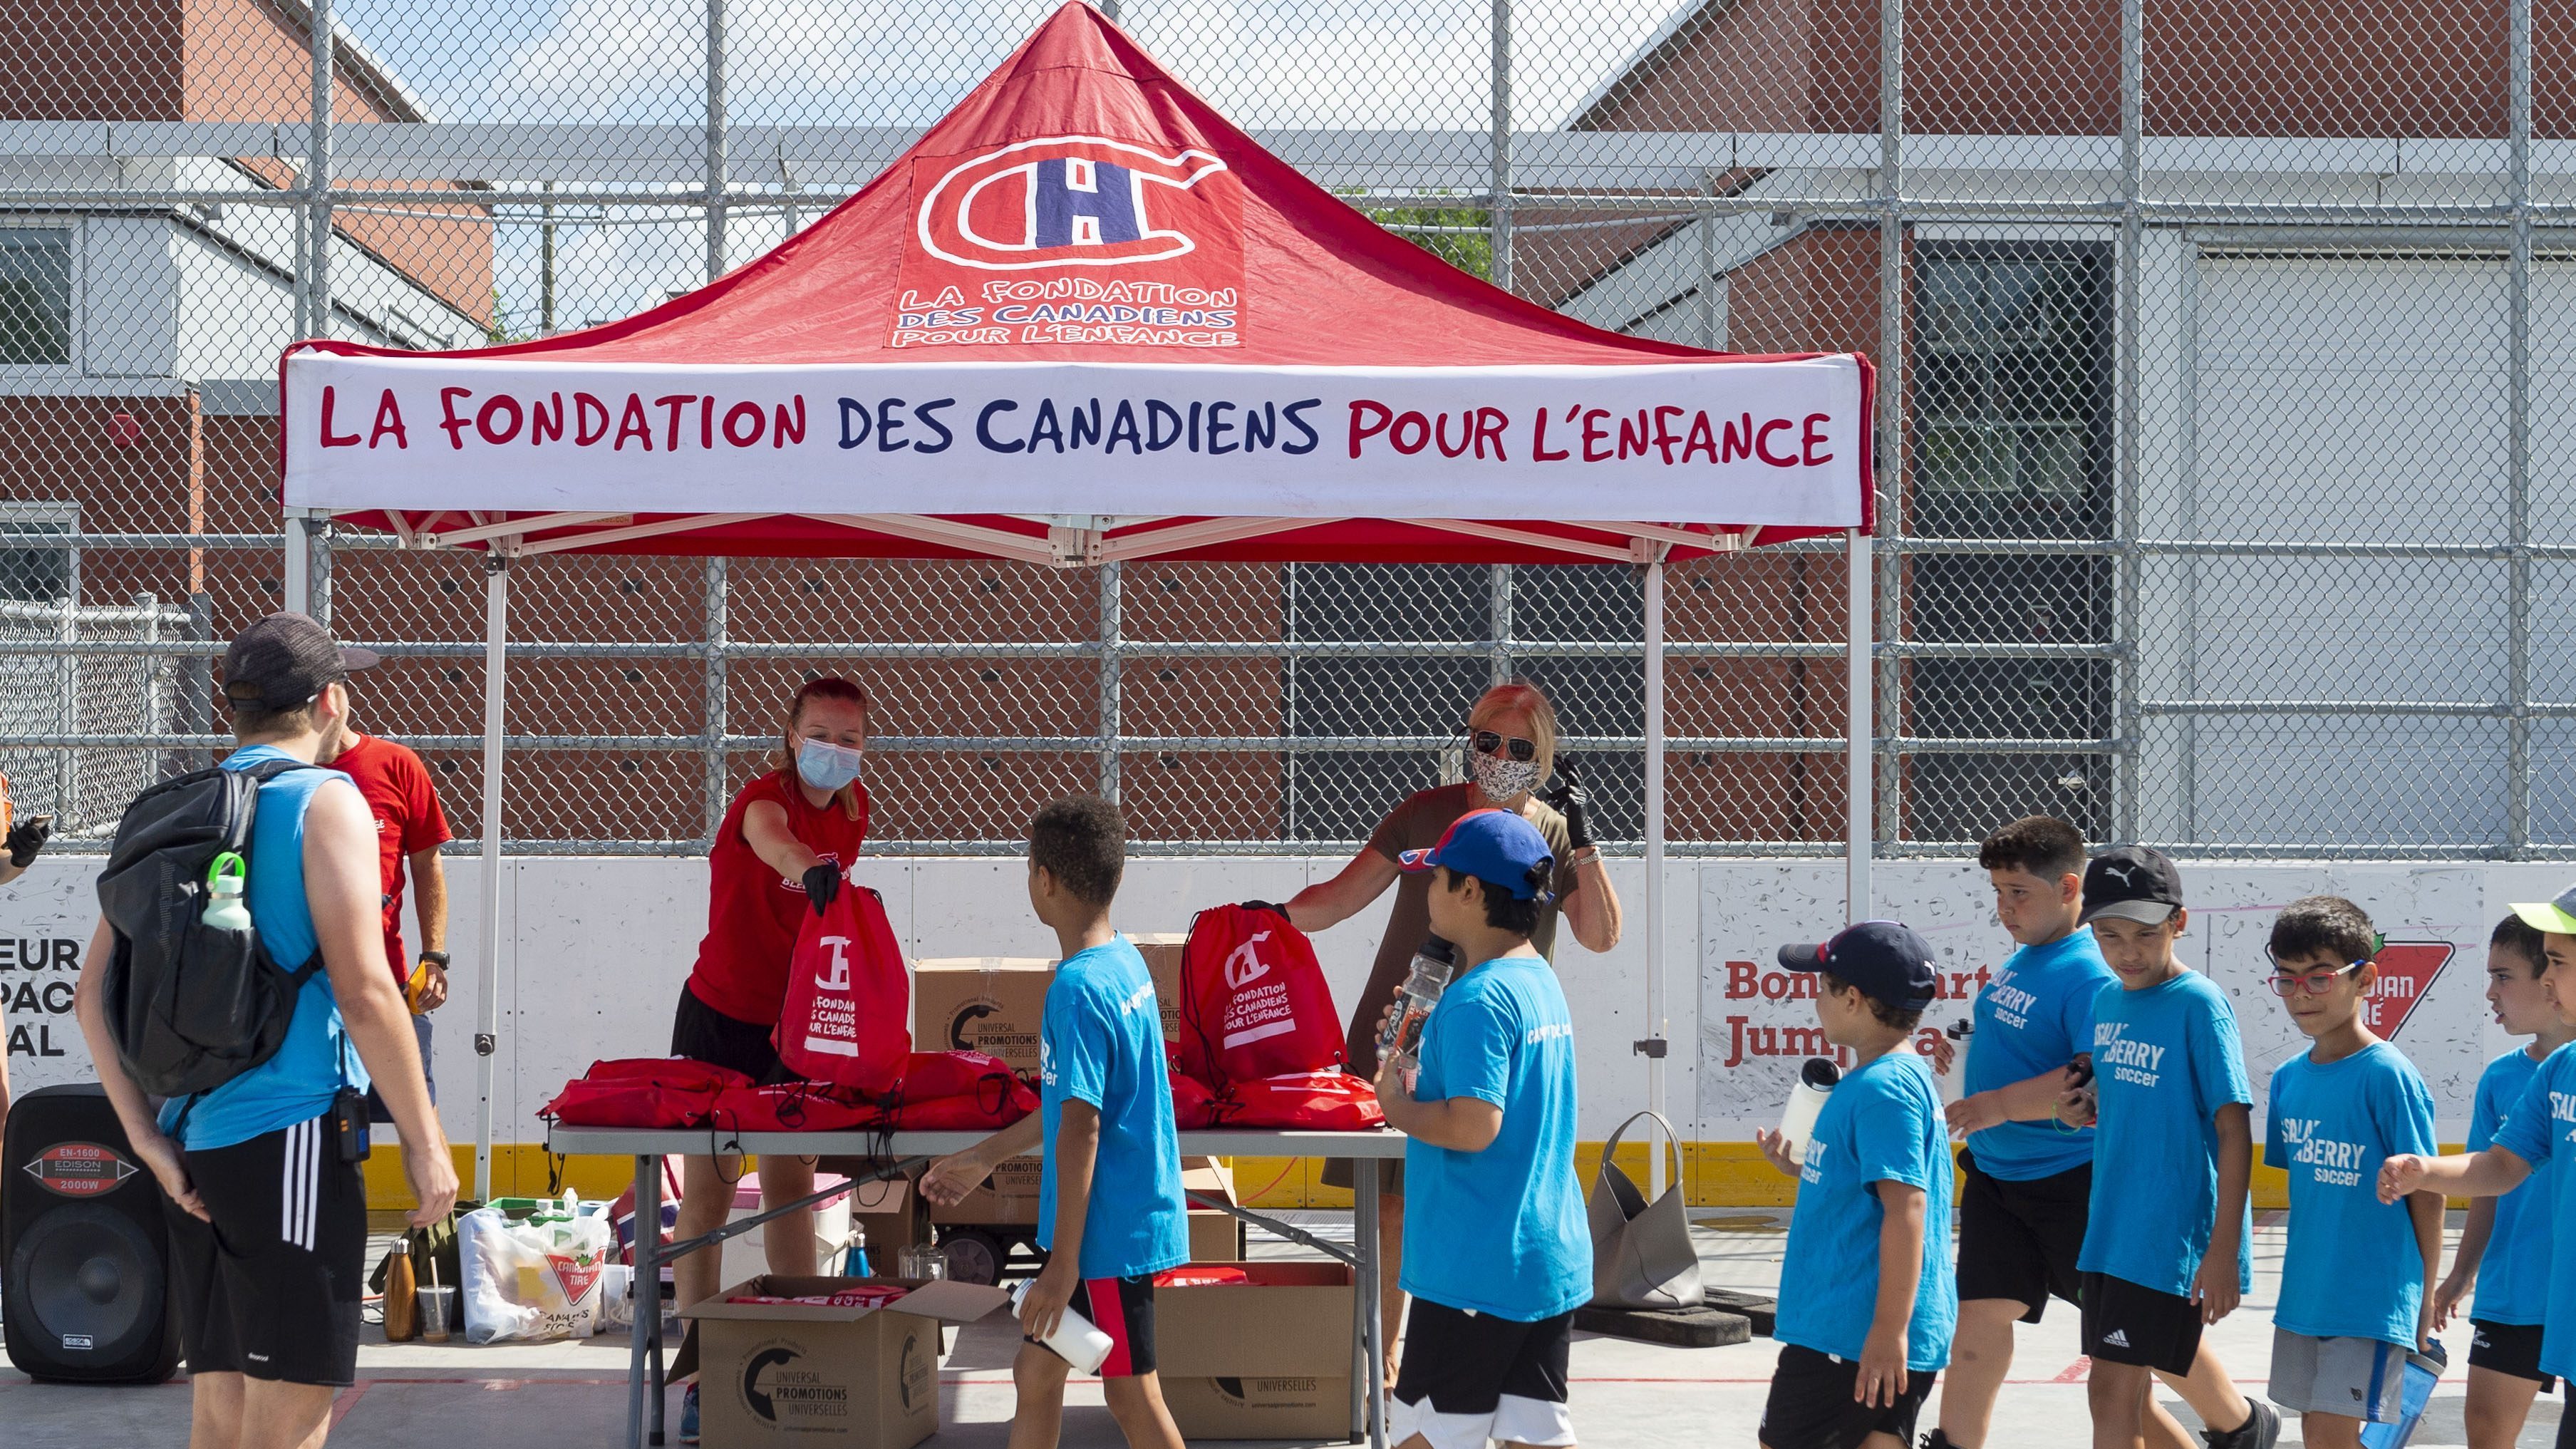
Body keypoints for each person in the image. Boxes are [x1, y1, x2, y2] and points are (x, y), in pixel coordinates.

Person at [71, 612, 455, 1449]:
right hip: (290, 1135)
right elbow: (364, 988)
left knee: (220, 1414)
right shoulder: (326, 800)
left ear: (234, 706)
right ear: (330, 699)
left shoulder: (172, 805)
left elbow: (89, 991)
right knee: (290, 1417)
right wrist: (425, 1140)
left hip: (188, 1141)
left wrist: (145, 1138)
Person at [1263, 679, 1621, 1366]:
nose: (1499, 756)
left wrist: (1584, 837)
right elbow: (1338, 899)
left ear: (1542, 754)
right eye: (1487, 740)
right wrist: (1258, 920)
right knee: (1392, 1208)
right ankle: (1384, 1353)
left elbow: (1600, 935)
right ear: (1468, 740)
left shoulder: (1551, 829)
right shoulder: (1425, 814)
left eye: (1519, 746)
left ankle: (1467, 1349)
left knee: (1481, 1195)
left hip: (1489, 1044)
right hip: (1403, 1030)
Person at [923, 796, 1189, 1449]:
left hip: (1106, 1240)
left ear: (1043, 880)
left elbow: (1082, 1129)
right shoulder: (1124, 961)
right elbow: (1071, 1104)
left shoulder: (1074, 990)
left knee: (1132, 1393)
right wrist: (984, 1156)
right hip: (1110, 1225)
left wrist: (1062, 1264)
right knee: (1034, 1371)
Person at [671, 676, 871, 1443]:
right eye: (821, 733)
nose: (834, 748)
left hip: (796, 1029)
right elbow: (774, 842)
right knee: (712, 1197)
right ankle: (696, 1372)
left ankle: (797, 1351)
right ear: (792, 736)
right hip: (721, 1018)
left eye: (849, 738)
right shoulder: (761, 799)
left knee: (792, 1187)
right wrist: (804, 866)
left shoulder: (854, 809)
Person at [1370, 808, 1590, 1449]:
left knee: (1424, 1437)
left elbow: (1473, 1125)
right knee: (1532, 1434)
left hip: (1476, 1265)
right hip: (1541, 1261)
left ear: (1470, 891)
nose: (1428, 890)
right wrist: (1423, 1044)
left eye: (1437, 876)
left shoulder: (1476, 999)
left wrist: (1397, 1108)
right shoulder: (1535, 978)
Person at [2064, 846, 2279, 1449]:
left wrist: (2221, 1250)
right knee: (2127, 1402)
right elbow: (2127, 1101)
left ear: (2178, 923)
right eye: (2108, 936)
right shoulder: (2107, 1001)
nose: (2126, 951)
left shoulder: (2199, 1005)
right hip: (2111, 1228)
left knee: (2110, 1396)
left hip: (2167, 1236)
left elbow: (2233, 1128)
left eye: (2143, 934)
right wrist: (2083, 1107)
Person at [1927, 816, 2116, 1449]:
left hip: (2070, 1186)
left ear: (2068, 887)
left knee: (2133, 1333)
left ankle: (2235, 1423)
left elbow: (2089, 1083)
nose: (2004, 908)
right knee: (1978, 1323)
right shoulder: (2029, 956)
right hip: (1998, 1179)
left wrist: (2000, 1102)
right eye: (1997, 893)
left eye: (2018, 892)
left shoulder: (2087, 969)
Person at [2379, 882, 2576, 1449]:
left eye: (2557, 963)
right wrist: (2424, 1171)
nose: (2546, 979)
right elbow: (2501, 1164)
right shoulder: (2559, 1069)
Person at [1752, 919, 1956, 1449]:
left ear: (1854, 999)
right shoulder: (1893, 1076)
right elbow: (1871, 1186)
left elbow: (1906, 1209)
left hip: (1848, 1331)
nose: (1815, 999)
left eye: (1822, 988)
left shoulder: (1881, 1089)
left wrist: (1887, 1332)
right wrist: (1805, 1168)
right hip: (1867, 1329)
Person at [2259, 896, 2441, 1448]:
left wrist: (2423, 1298)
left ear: (2364, 979)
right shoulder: (2288, 1080)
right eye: (2286, 979)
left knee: (2331, 1435)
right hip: (2305, 1295)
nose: (2299, 995)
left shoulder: (2387, 1075)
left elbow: (2426, 1192)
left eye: (2318, 978)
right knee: (2317, 1428)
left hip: (2369, 1297)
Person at [2433, 914, 2570, 1449]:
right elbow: (2489, 1179)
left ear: (2550, 978)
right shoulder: (2501, 1078)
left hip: (2569, 1294)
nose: (2490, 992)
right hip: (2513, 1291)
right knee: (2487, 1434)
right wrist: (2460, 1274)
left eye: (2502, 976)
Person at [318, 716, 452, 1118]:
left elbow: (428, 866)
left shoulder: (396, 763)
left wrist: (434, 958)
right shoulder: (274, 773)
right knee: (312, 1123)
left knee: (420, 1120)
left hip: (386, 984)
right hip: (300, 989)